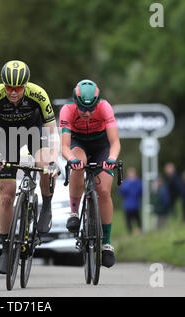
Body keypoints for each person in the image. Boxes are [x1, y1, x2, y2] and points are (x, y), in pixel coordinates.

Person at [0, 60, 59, 274]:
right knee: (6, 195)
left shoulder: (38, 94)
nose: (13, 92)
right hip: (6, 139)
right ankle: (6, 250)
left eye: (18, 88)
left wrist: (53, 157)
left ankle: (47, 206)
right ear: (3, 84)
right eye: (9, 87)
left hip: (34, 135)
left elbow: (52, 130)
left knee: (45, 165)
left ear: (26, 85)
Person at [59, 79, 121, 268]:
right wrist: (71, 159)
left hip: (102, 145)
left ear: (97, 104)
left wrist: (111, 159)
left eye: (91, 109)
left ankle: (107, 243)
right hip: (79, 144)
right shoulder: (67, 110)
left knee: (103, 191)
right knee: (79, 163)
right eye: (83, 109)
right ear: (75, 103)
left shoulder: (105, 108)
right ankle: (75, 212)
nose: (87, 113)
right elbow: (65, 146)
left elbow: (115, 143)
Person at [118, 167, 142, 234]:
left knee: (138, 219)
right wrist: (129, 183)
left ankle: (140, 230)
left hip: (136, 205)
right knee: (128, 220)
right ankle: (130, 232)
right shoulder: (125, 183)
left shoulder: (138, 182)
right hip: (127, 205)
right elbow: (121, 192)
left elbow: (141, 191)